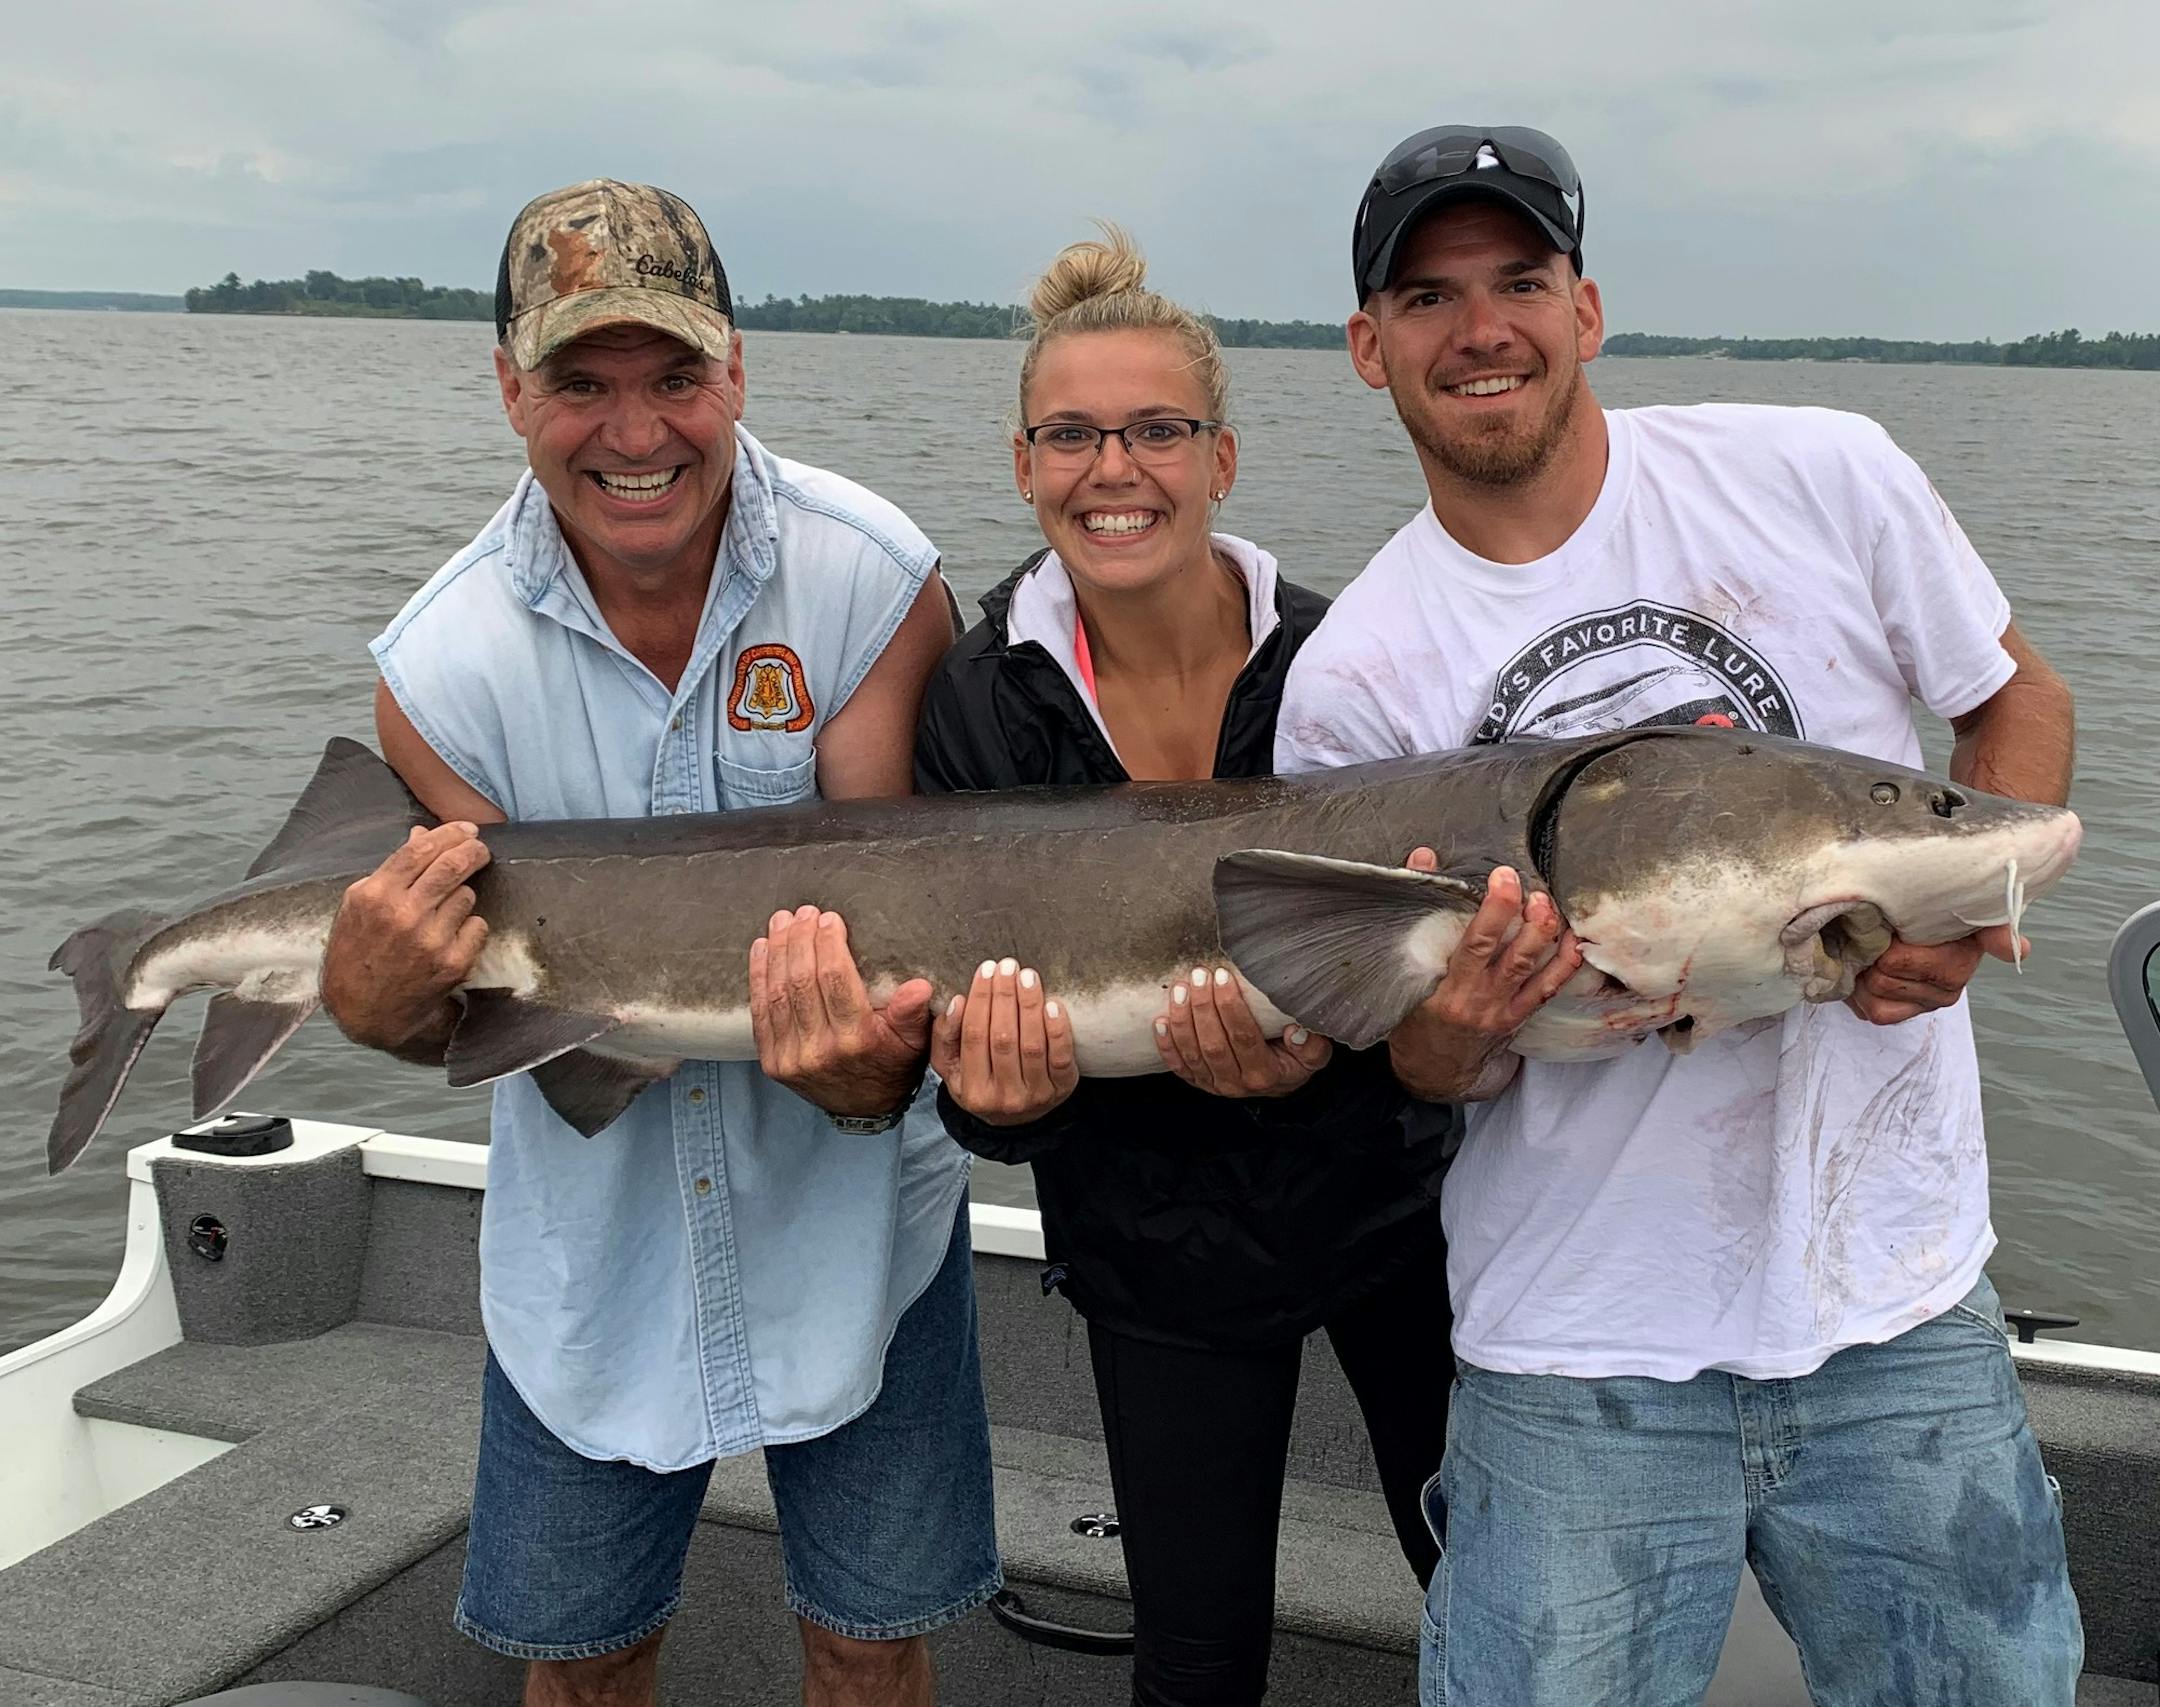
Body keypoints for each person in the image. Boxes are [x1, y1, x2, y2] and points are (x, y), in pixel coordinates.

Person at [1276, 125, 2085, 1706]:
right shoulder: (1355, 679)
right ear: (1370, 348)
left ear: (1586, 309)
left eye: (1521, 278)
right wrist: (1454, 1029)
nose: (1482, 327)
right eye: (1430, 298)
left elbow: (2014, 710)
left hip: (1894, 1302)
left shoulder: (1821, 474)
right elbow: (1420, 1073)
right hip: (1573, 1342)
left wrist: (1967, 919)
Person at [317, 179, 997, 1707]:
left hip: (860, 1228)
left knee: (874, 1648)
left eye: (675, 377)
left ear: (735, 368)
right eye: (582, 383)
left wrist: (874, 1071)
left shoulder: (871, 582)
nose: (637, 435)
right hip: (595, 1248)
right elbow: (486, 1007)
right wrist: (375, 1011)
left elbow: (899, 909)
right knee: (581, 1664)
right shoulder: (439, 669)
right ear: (510, 390)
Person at [913, 226, 1456, 1707]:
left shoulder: (1351, 662)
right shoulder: (977, 703)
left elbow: (1428, 951)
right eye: (1074, 435)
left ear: (1224, 455)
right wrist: (1004, 1108)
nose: (1116, 469)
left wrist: (1315, 1061)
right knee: (1198, 1658)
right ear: (1023, 464)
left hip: (1393, 1207)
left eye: (1157, 430)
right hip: (1156, 1246)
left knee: (1489, 1597)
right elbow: (972, 1072)